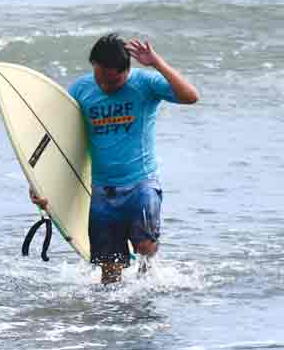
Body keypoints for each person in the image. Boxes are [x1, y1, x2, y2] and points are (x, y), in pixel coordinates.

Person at [33, 33, 199, 284]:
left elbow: (190, 96)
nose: (107, 87)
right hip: (102, 191)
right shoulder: (81, 89)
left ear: (127, 70)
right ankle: (114, 319)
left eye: (115, 81)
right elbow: (57, 139)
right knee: (109, 273)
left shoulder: (145, 84)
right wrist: (37, 182)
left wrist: (157, 63)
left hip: (141, 183)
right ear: (94, 67)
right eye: (102, 79)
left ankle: (148, 277)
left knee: (144, 246)